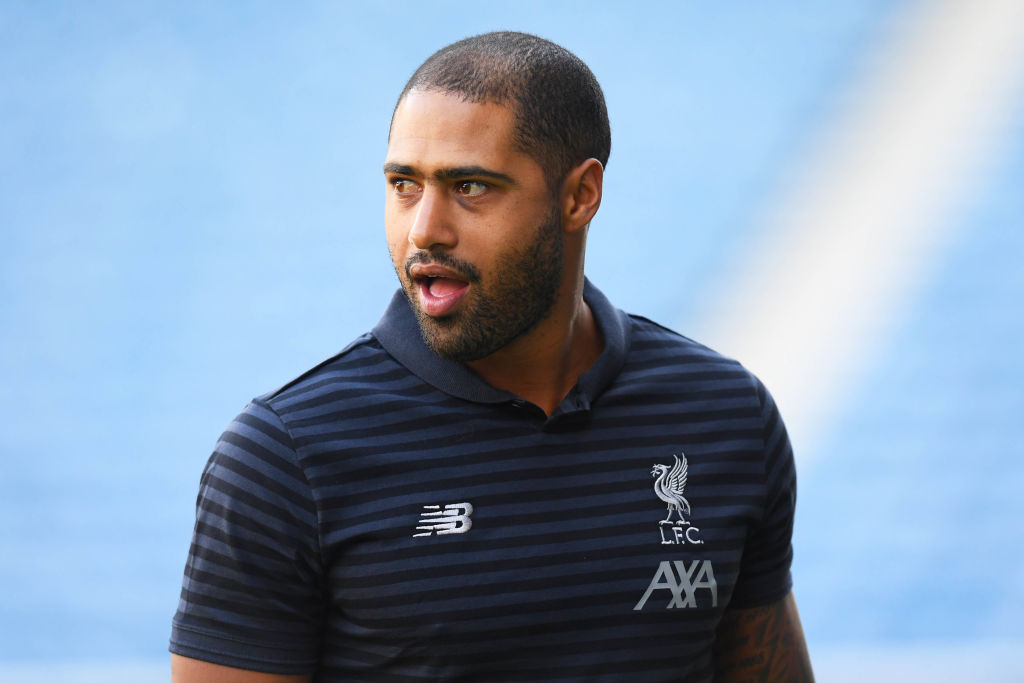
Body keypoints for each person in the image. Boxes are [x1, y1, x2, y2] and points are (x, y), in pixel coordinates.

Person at [169, 31, 813, 683]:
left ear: (579, 196)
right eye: (403, 184)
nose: (424, 228)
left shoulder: (727, 416)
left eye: (470, 185)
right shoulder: (283, 459)